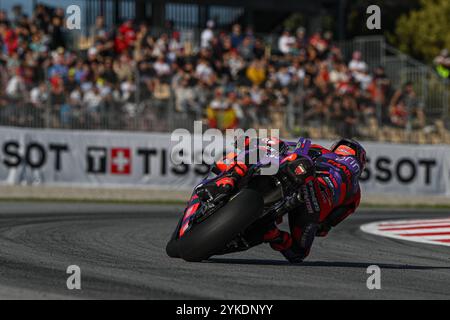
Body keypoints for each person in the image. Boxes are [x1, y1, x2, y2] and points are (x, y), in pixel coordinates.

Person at [206, 138, 365, 263]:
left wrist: (250, 142)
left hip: (300, 169)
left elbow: (284, 145)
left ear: (336, 147)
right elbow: (325, 227)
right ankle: (273, 234)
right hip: (315, 203)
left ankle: (229, 178)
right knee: (298, 253)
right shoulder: (355, 193)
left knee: (269, 146)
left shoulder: (320, 150)